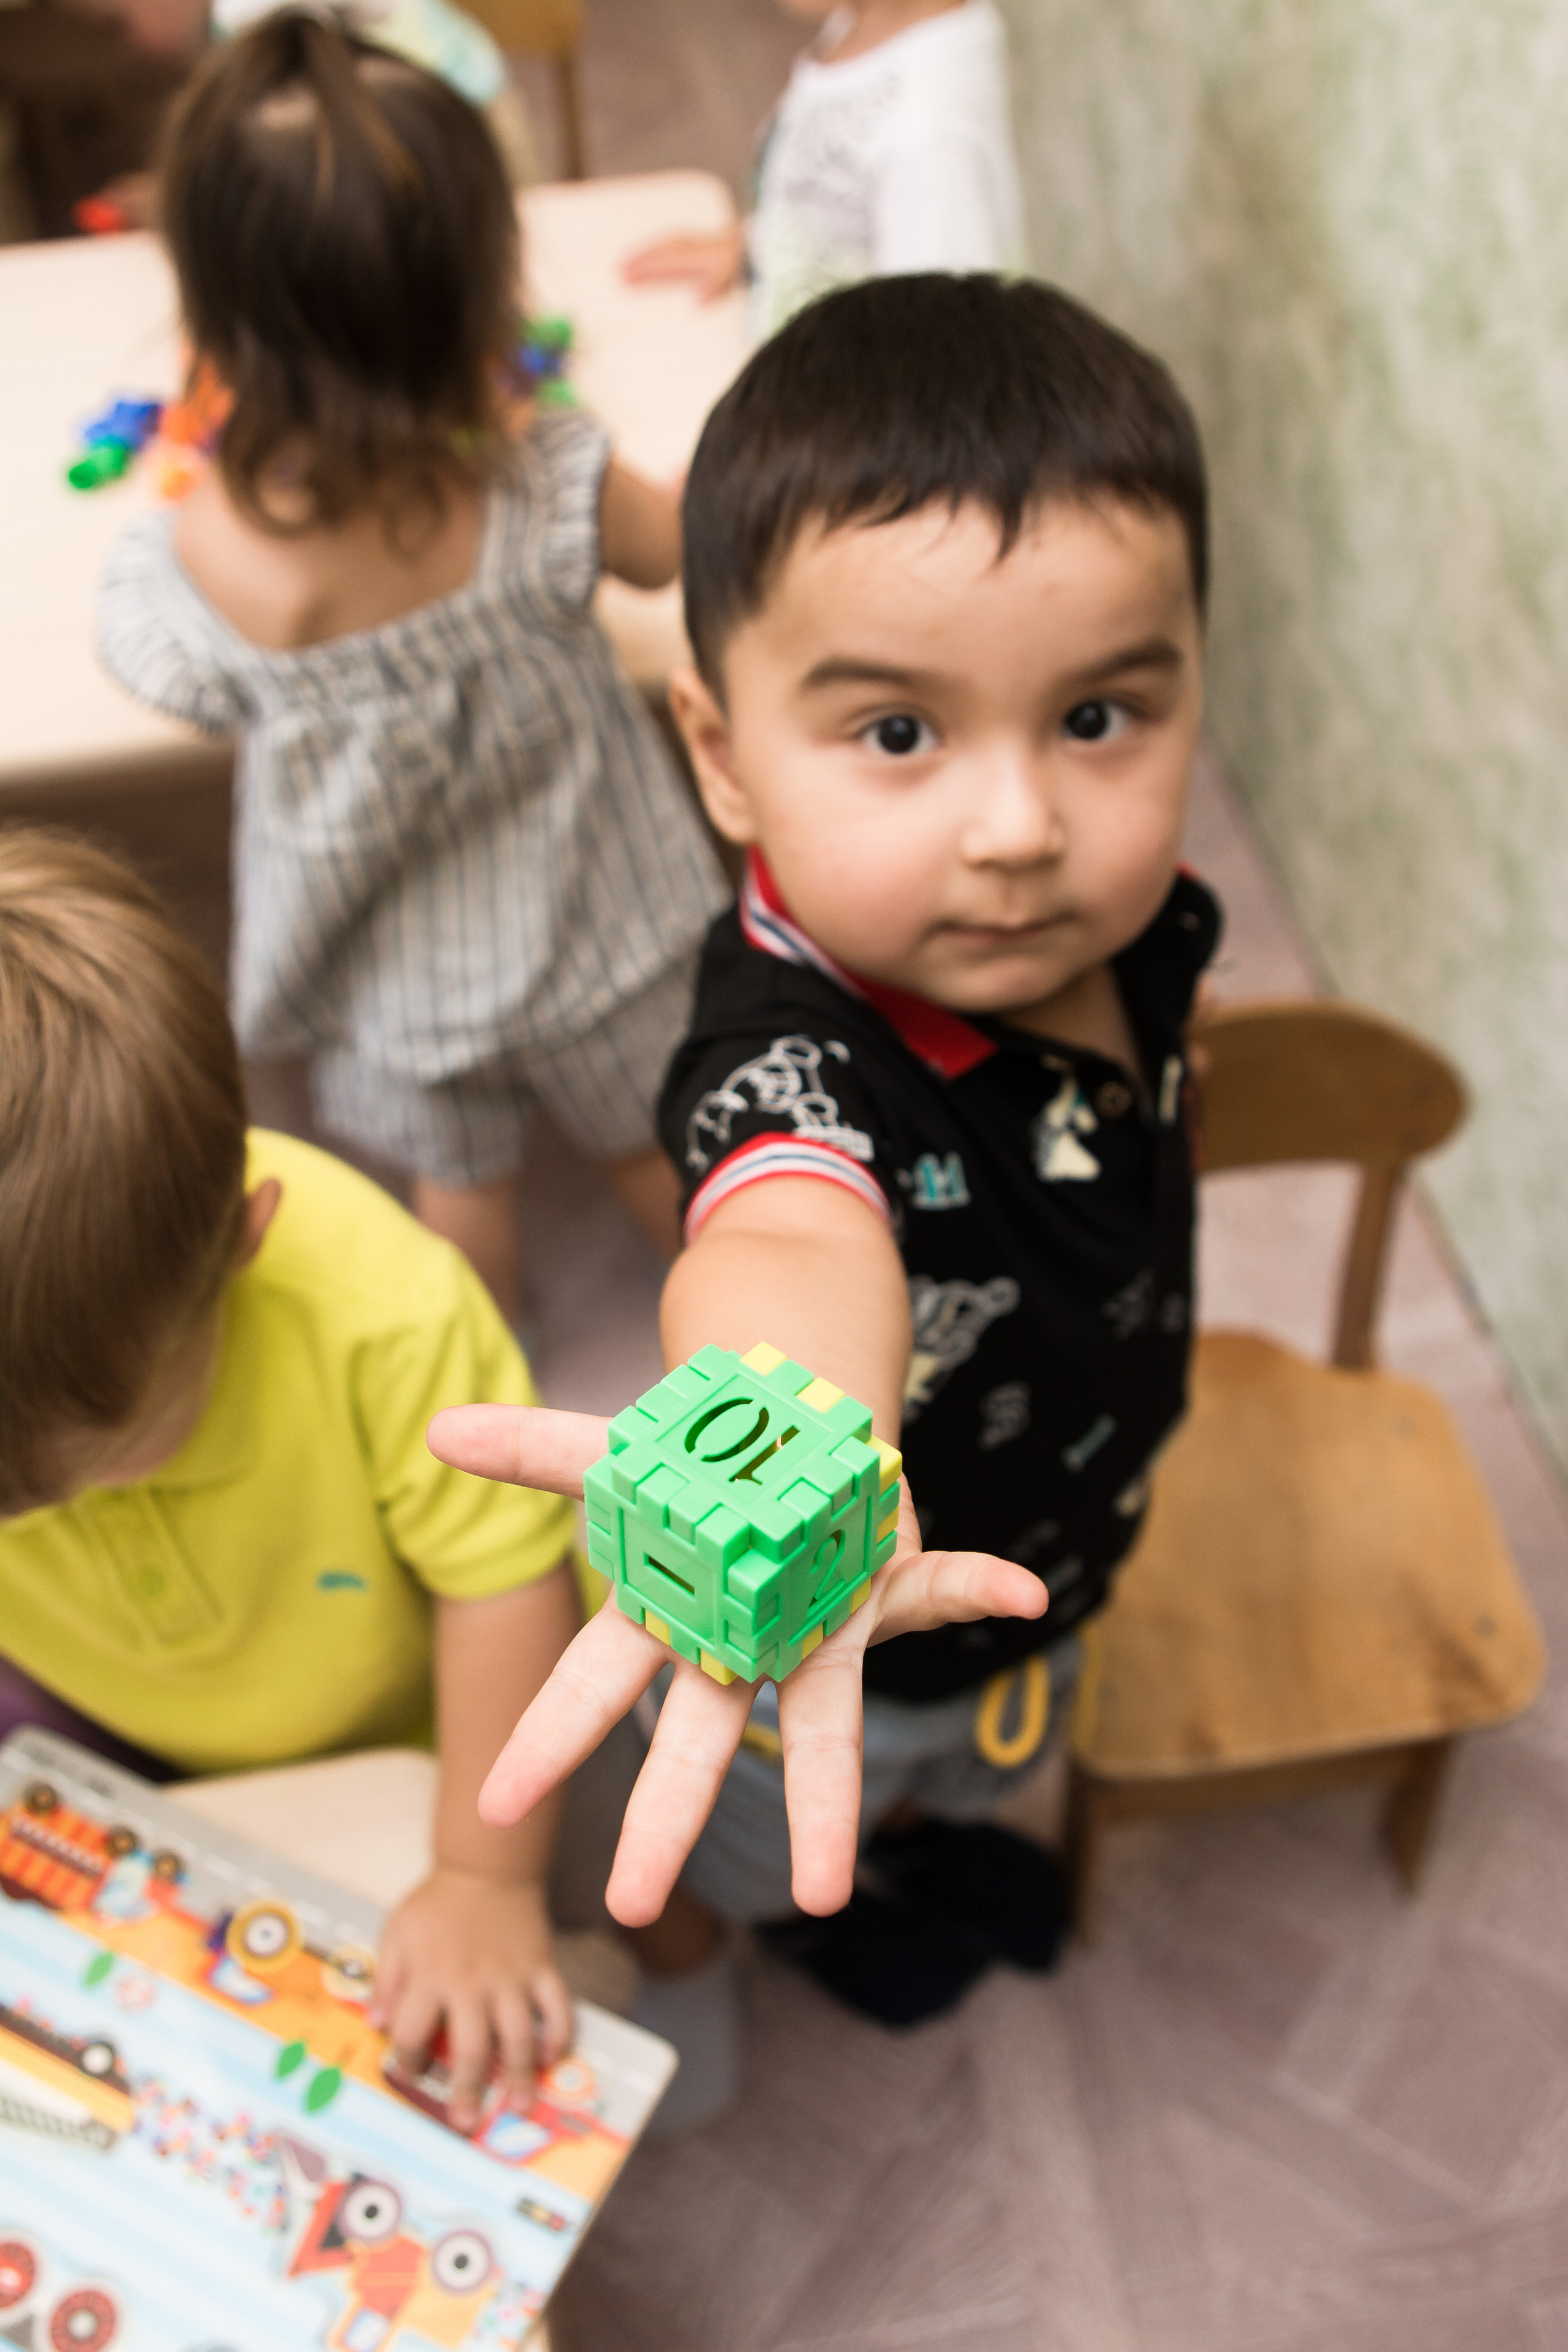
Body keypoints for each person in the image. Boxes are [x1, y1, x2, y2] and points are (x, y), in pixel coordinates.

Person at [429, 273, 1219, 2040]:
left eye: (1098, 716)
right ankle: (751, 1948)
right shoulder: (787, 1060)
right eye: (898, 733)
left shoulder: (1135, 918)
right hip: (836, 1617)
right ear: (720, 755)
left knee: (957, 1758)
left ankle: (911, 1847)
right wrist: (779, 1444)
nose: (1018, 828)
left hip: (1047, 1543)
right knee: (775, 1825)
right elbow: (785, 1232)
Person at [96, 11, 728, 1324]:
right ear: (476, 290)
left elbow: (162, 672)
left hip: (403, 982)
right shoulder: (545, 477)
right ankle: (743, 1340)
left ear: (216, 313)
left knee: (460, 1194)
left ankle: (480, 1385)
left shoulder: (205, 554)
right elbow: (670, 553)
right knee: (646, 1150)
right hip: (602, 929)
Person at [0, 827, 584, 2129]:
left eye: (78, 1464)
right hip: (86, 1696)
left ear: (241, 1247)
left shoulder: (388, 1314)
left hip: (395, 1726)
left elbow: (506, 1588)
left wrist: (484, 1880)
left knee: (559, 1856)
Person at [624, 0, 1027, 340]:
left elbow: (941, 358)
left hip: (847, 399)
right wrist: (757, 244)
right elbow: (833, 192)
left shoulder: (929, 145)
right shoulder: (862, 22)